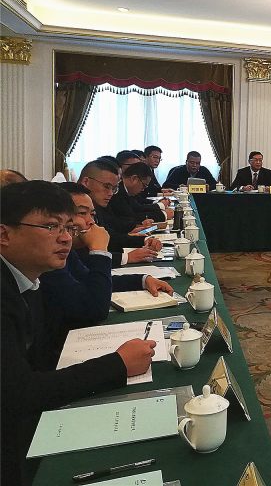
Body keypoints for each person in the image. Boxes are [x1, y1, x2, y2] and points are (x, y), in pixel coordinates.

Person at [0, 180, 156, 486]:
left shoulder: (30, 277)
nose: (65, 238)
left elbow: (40, 361)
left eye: (67, 228)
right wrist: (117, 364)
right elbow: (19, 394)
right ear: (4, 234)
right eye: (50, 227)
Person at [40, 182, 173, 327]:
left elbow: (89, 280)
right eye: (82, 213)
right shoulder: (49, 258)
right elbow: (95, 310)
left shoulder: (69, 253)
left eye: (92, 214)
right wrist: (100, 251)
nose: (91, 222)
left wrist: (142, 280)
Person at [78, 160, 162, 265]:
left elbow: (109, 237)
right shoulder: (71, 206)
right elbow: (81, 258)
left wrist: (144, 240)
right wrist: (126, 257)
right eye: (106, 186)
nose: (110, 193)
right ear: (86, 182)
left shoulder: (96, 206)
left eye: (114, 189)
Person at [108, 162, 172, 225]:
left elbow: (137, 207)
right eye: (144, 185)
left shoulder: (127, 190)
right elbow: (130, 217)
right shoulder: (118, 192)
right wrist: (163, 214)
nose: (143, 189)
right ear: (134, 178)